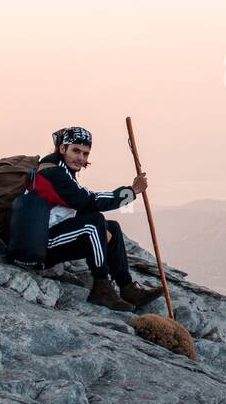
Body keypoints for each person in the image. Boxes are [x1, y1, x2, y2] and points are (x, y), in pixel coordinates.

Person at [33, 126, 162, 311]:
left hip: (53, 237)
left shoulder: (63, 171)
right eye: (76, 151)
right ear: (62, 148)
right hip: (42, 246)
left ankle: (127, 288)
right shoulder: (54, 172)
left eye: (85, 153)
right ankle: (102, 288)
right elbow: (88, 200)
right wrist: (131, 192)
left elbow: (80, 201)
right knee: (94, 222)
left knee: (112, 228)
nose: (81, 158)